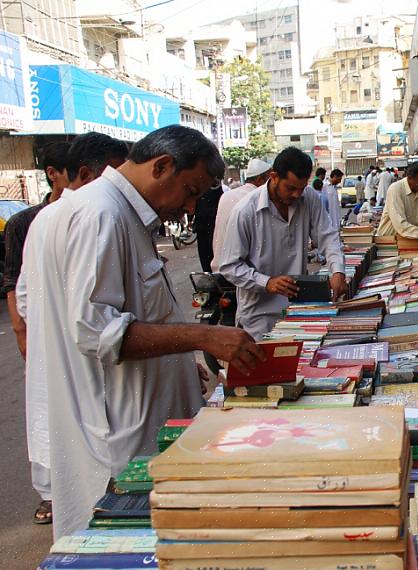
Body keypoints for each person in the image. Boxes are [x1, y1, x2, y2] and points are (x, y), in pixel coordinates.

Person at [23, 125, 263, 539]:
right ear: (162, 166)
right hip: (119, 436)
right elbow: (96, 332)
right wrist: (203, 337)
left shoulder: (113, 211)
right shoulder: (101, 212)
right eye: (190, 191)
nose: (189, 208)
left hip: (136, 421)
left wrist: (179, 363)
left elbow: (136, 312)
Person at [11, 134, 129, 526]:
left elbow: (29, 299)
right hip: (88, 377)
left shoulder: (50, 218)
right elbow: (93, 323)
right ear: (85, 173)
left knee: (78, 492)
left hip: (68, 375)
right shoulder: (94, 214)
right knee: (95, 492)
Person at [218, 147, 348, 340]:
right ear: (274, 177)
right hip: (259, 315)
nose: (297, 195)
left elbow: (327, 236)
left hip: (300, 308)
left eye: (301, 188)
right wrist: (266, 282)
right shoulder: (245, 211)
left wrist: (337, 270)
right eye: (291, 188)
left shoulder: (308, 197)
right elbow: (229, 266)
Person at [4, 142, 70, 361]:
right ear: (52, 173)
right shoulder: (23, 222)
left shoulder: (86, 216)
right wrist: (21, 332)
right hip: (41, 324)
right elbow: (12, 279)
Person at [211, 158, 271, 272]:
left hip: (218, 268)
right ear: (260, 179)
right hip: (240, 272)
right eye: (270, 179)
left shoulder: (226, 196)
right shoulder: (257, 198)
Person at [194, 184, 223, 272]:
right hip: (204, 224)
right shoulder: (201, 188)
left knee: (210, 249)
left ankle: (211, 272)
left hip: (211, 224)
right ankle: (209, 272)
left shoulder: (215, 187)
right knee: (205, 250)